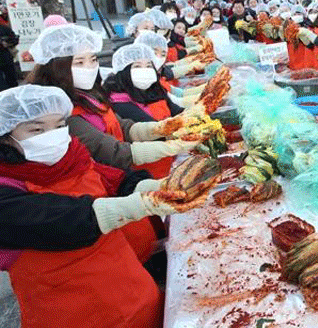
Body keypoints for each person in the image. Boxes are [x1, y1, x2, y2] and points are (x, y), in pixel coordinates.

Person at [0, 85, 208, 327]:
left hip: (131, 292)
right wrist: (146, 203)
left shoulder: (73, 158)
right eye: (36, 129)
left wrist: (164, 186)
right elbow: (67, 220)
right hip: (75, 315)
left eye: (58, 126)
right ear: (5, 135)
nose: (52, 135)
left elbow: (118, 180)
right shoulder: (6, 191)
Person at [26, 24, 199, 175]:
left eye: (93, 60)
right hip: (100, 184)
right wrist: (174, 146)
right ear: (57, 68)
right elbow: (110, 151)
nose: (89, 68)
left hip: (123, 174)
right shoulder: (59, 114)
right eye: (79, 63)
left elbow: (124, 127)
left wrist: (162, 128)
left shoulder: (91, 96)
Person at [103, 44, 183, 179]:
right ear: (124, 71)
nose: (144, 70)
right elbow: (157, 130)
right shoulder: (119, 102)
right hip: (147, 171)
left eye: (148, 66)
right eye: (137, 66)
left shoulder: (154, 90)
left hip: (169, 161)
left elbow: (177, 111)